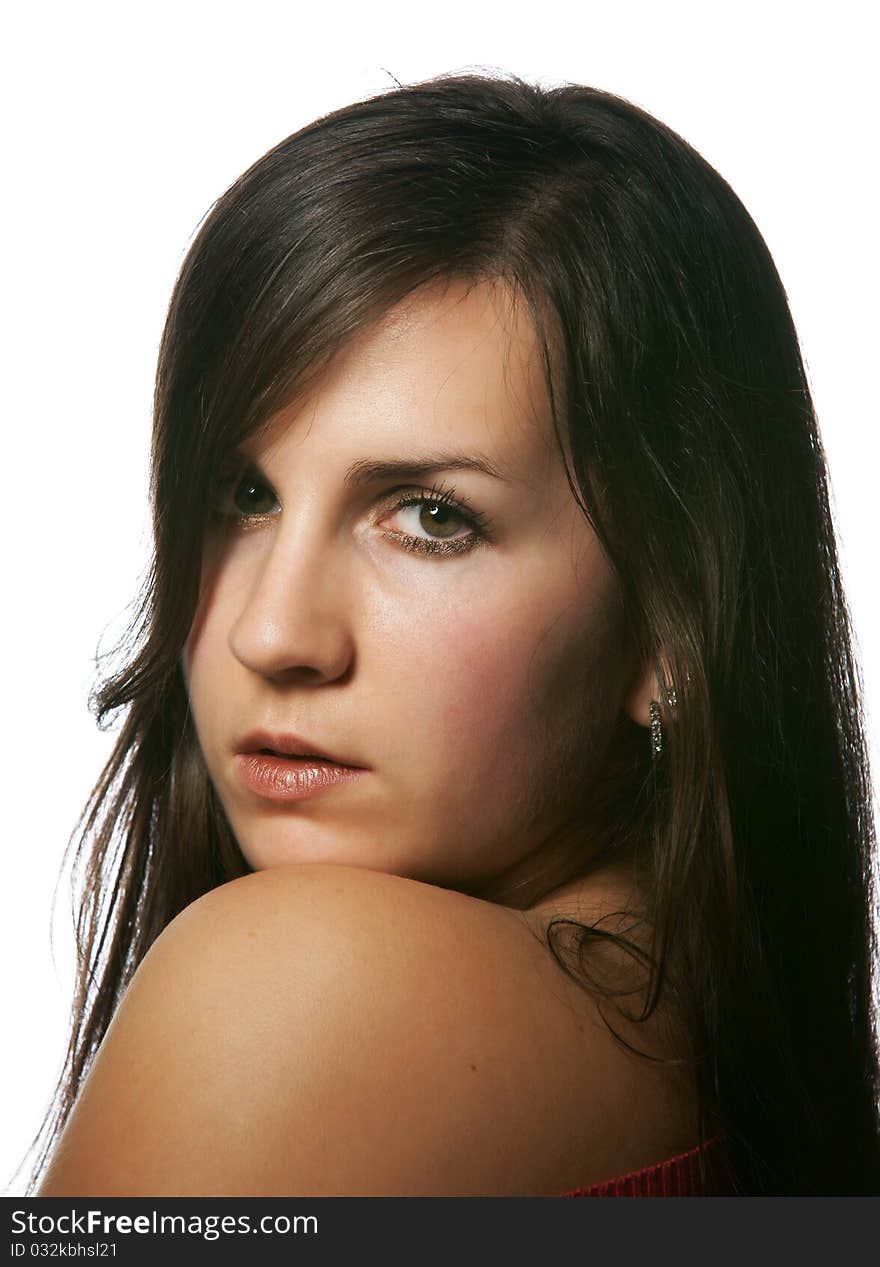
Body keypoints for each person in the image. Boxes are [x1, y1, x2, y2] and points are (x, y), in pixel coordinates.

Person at [28, 70, 879, 1197]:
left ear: (670, 627)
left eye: (432, 517)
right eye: (242, 494)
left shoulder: (291, 990)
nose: (273, 633)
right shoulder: (717, 1058)